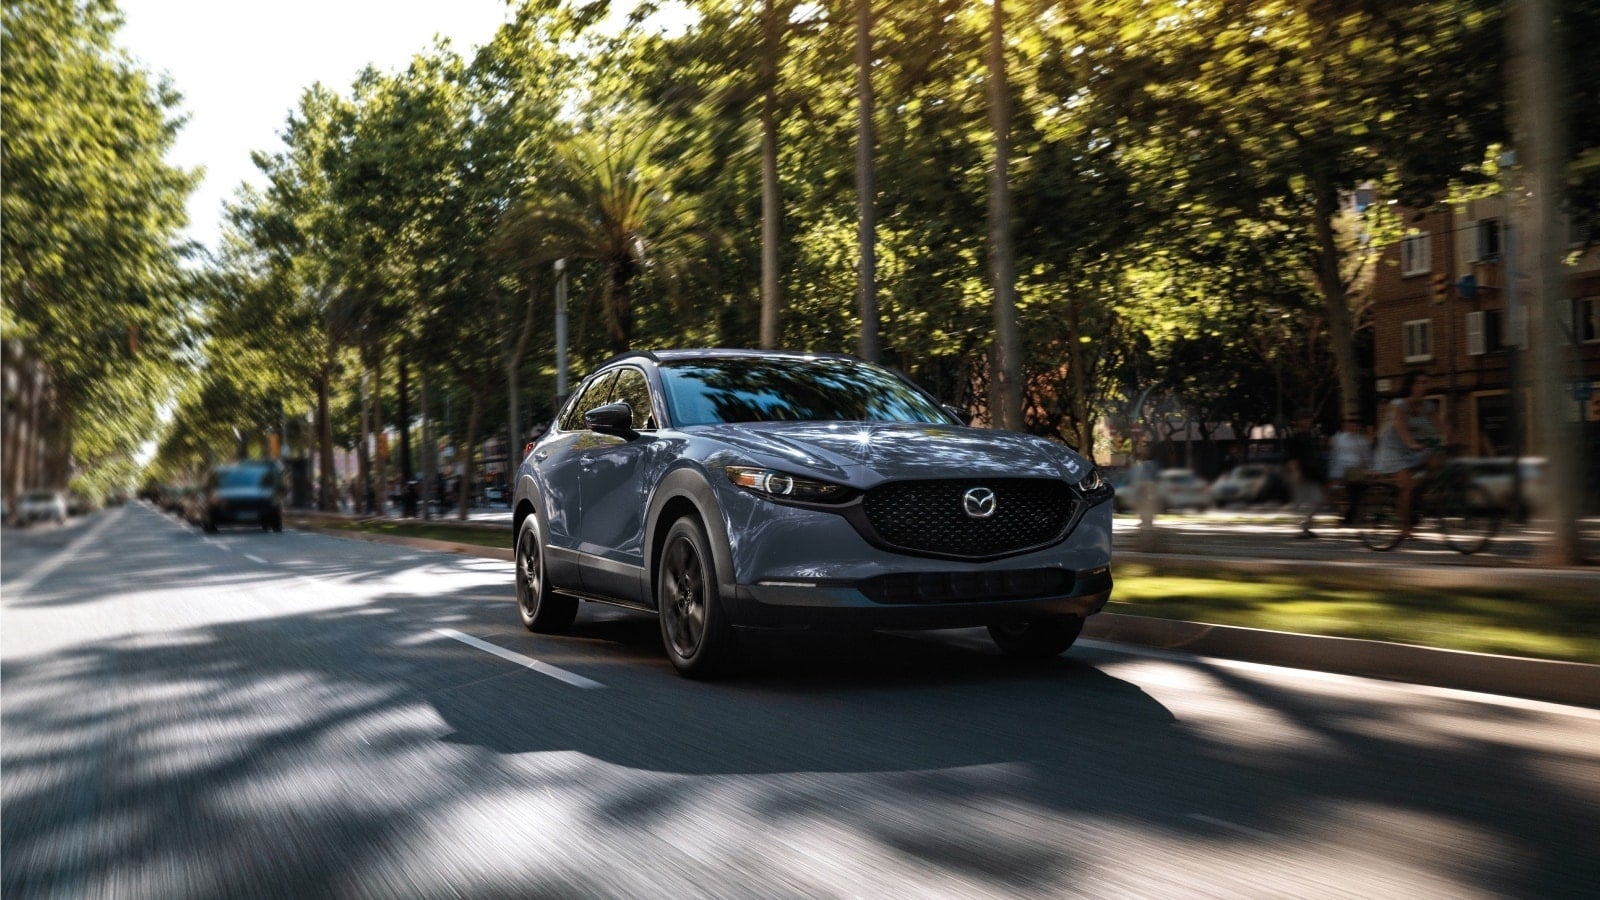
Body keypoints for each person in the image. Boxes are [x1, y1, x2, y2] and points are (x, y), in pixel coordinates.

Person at [1371, 371, 1443, 539]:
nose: (1424, 386)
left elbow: (1440, 425)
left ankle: (1416, 500)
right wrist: (1411, 443)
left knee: (1436, 462)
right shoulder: (1398, 404)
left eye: (1426, 382)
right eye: (1420, 382)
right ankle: (1404, 527)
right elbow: (1400, 426)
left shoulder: (1427, 406)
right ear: (1411, 386)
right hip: (1392, 448)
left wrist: (1453, 439)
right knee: (1407, 486)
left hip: (1412, 445)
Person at [1286, 410, 1328, 538]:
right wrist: (1296, 472)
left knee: (1317, 500)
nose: (1307, 422)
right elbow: (1292, 457)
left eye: (1308, 419)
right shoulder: (1295, 438)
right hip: (1302, 472)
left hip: (1313, 473)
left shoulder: (1313, 436)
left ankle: (1306, 526)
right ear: (1298, 422)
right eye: (1304, 419)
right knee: (1300, 501)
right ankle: (1303, 528)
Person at [1328, 414, 1374, 525]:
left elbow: (1367, 457)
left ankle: (1350, 517)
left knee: (1357, 491)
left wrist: (1370, 469)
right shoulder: (1340, 439)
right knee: (1355, 491)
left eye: (1356, 426)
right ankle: (1351, 516)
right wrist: (1335, 474)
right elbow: (1335, 456)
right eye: (1351, 425)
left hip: (1357, 472)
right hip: (1344, 471)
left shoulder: (1362, 440)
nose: (1354, 428)